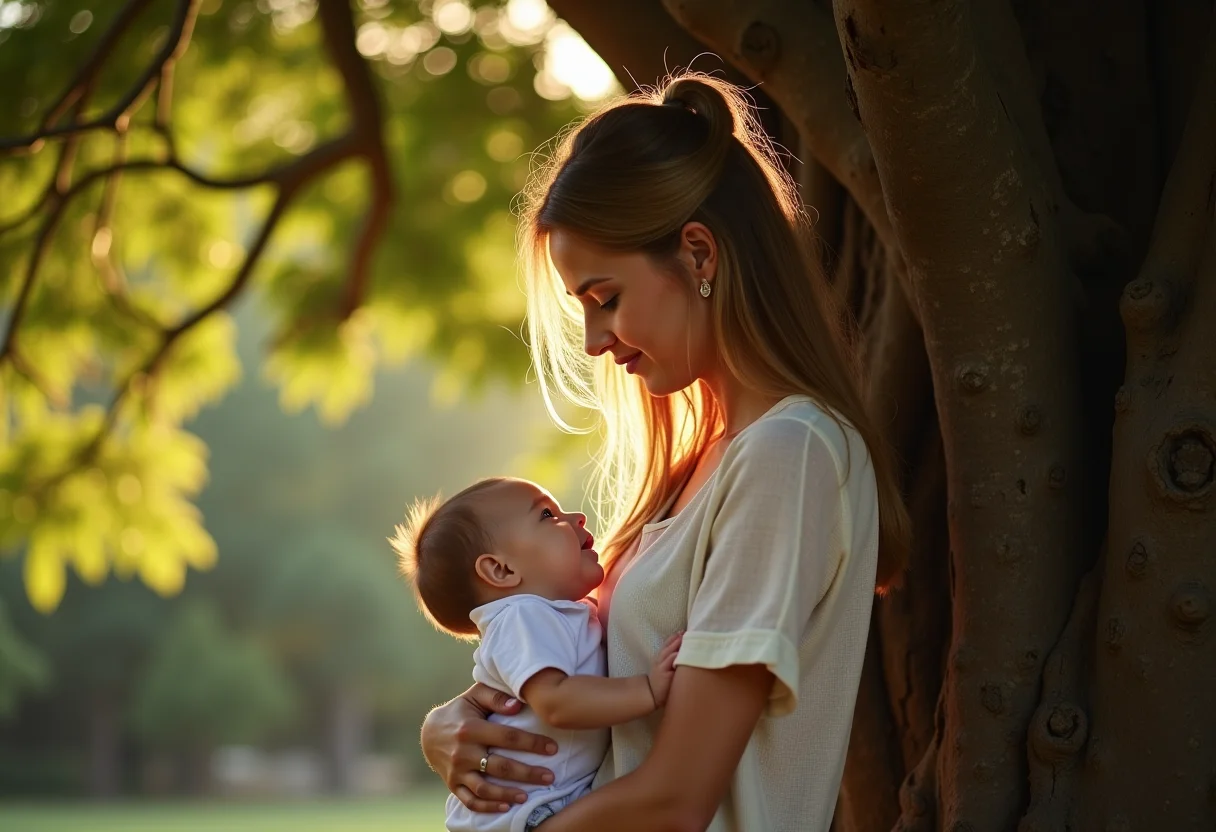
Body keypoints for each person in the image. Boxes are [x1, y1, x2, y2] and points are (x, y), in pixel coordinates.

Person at [419, 71, 912, 831]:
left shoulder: (789, 455)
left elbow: (678, 799)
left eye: (604, 297)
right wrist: (456, 724)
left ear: (698, 255)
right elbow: (583, 694)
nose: (593, 341)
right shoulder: (704, 467)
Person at [391, 477, 684, 831]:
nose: (576, 517)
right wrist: (648, 690)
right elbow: (556, 701)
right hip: (522, 815)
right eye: (547, 514)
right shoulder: (523, 616)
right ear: (501, 570)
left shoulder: (550, 616)